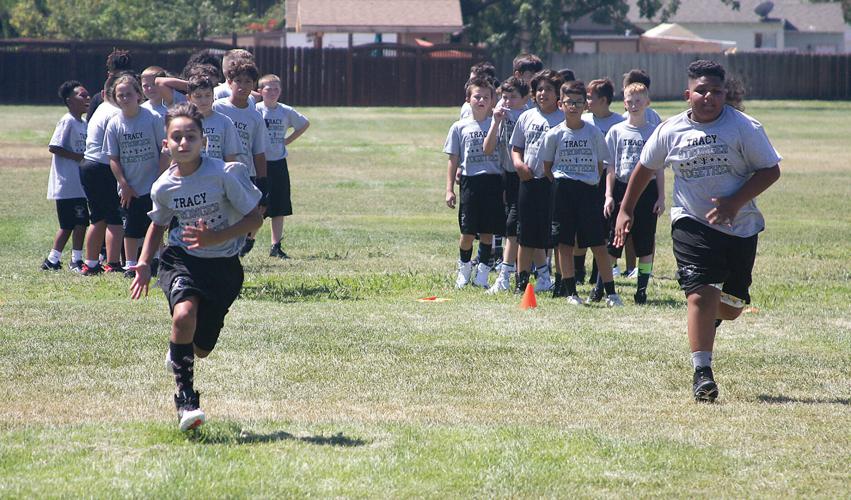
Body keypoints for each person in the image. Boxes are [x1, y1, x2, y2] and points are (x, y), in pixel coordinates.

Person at [614, 60, 781, 402]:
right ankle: (702, 373)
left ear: (725, 94)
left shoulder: (744, 127)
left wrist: (734, 203)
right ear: (688, 94)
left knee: (732, 308)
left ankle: (705, 319)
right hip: (691, 221)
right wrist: (625, 209)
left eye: (716, 91)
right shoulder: (670, 130)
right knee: (700, 293)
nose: (709, 97)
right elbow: (644, 169)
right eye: (702, 91)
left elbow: (770, 171)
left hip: (740, 225)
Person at [130, 102, 262, 431]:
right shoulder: (163, 187)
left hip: (224, 267)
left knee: (200, 349)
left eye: (191, 136)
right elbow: (158, 225)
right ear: (166, 144)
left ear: (203, 141)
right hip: (182, 259)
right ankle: (186, 400)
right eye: (177, 137)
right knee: (184, 315)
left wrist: (215, 237)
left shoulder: (224, 174)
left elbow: (255, 219)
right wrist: (144, 262)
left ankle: (179, 351)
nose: (184, 142)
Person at [541, 80, 621, 306]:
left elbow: (600, 166)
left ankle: (611, 294)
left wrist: (589, 182)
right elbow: (547, 168)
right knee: (564, 244)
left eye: (578, 102)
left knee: (597, 243)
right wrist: (564, 181)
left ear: (585, 105)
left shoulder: (594, 133)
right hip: (563, 191)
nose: (574, 107)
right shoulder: (554, 135)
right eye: (569, 102)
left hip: (588, 191)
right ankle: (570, 293)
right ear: (560, 105)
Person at [603, 83, 664, 305]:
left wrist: (661, 197)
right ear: (624, 103)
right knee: (614, 242)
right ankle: (603, 287)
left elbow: (658, 169)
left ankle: (641, 289)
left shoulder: (654, 132)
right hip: (621, 188)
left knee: (645, 243)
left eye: (639, 101)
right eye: (630, 101)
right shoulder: (616, 131)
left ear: (647, 102)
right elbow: (610, 166)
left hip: (646, 192)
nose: (634, 105)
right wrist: (609, 195)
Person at [103, 72, 167, 278]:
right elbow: (113, 158)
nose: (124, 98)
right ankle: (130, 265)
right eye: (120, 95)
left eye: (128, 94)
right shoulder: (114, 124)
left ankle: (155, 260)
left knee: (154, 224)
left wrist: (159, 180)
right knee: (130, 227)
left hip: (153, 184)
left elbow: (164, 152)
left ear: (138, 95)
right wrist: (124, 184)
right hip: (129, 187)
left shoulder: (153, 118)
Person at [444, 76, 504, 288]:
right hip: (470, 182)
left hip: (493, 182)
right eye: (477, 96)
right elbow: (453, 160)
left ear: (492, 100)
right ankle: (464, 268)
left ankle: (483, 273)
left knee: (487, 231)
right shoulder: (459, 127)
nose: (481, 100)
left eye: (486, 97)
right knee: (467, 232)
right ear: (468, 99)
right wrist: (449, 189)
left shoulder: (497, 124)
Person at [508, 69, 564, 293]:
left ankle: (562, 281)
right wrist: (519, 164)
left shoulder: (564, 118)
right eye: (539, 89)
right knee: (527, 234)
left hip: (556, 184)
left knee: (557, 236)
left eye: (548, 89)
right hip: (530, 181)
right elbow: (516, 148)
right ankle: (521, 281)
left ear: (558, 93)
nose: (543, 93)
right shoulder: (527, 117)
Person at [213, 59, 269, 257]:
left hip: (244, 175)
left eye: (248, 82)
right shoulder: (217, 108)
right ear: (229, 82)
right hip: (217, 171)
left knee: (239, 217)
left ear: (254, 85)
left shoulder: (255, 117)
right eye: (238, 80)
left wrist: (263, 183)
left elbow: (259, 152)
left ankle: (234, 252)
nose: (243, 86)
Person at [482, 76, 530, 293]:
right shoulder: (501, 115)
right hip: (508, 176)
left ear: (525, 99)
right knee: (515, 226)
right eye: (505, 97)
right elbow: (488, 148)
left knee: (514, 226)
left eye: (513, 97)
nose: (508, 102)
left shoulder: (528, 117)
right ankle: (538, 273)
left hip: (526, 176)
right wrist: (496, 121)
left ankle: (506, 275)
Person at [577, 78, 625, 286]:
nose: (586, 101)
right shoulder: (584, 120)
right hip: (586, 179)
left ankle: (597, 275)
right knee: (580, 228)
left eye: (590, 97)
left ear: (604, 100)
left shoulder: (619, 123)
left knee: (602, 230)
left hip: (608, 180)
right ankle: (578, 271)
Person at [256, 74, 310, 259]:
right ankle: (247, 241)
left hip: (278, 163)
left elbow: (304, 123)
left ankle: (275, 245)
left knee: (279, 205)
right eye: (268, 89)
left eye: (276, 89)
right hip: (259, 164)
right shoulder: (255, 110)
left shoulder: (285, 111)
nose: (272, 92)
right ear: (260, 91)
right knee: (258, 205)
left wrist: (288, 140)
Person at [78, 72, 125, 275]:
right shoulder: (115, 112)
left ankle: (91, 262)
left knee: (98, 218)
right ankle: (112, 263)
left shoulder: (101, 108)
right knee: (114, 217)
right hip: (102, 166)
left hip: (89, 164)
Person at [42, 81, 91, 272]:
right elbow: (54, 146)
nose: (87, 98)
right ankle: (69, 260)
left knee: (79, 223)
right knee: (71, 224)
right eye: (82, 95)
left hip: (79, 184)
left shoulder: (84, 123)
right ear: (70, 101)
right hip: (68, 184)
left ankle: (56, 260)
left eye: (87, 95)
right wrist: (77, 157)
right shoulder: (67, 120)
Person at [186, 76, 242, 162]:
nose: (203, 100)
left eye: (207, 95)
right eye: (198, 96)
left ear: (213, 96)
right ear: (189, 98)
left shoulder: (225, 122)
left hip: (218, 174)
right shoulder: (183, 123)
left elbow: (231, 159)